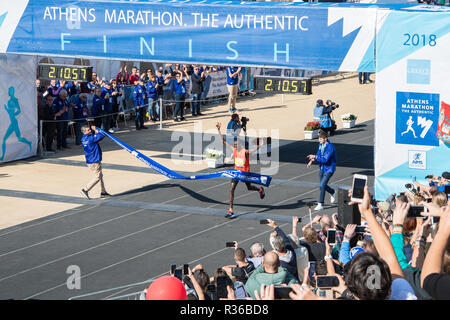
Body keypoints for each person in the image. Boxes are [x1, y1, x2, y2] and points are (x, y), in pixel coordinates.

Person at [216, 122, 265, 218]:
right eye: (234, 144)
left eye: (236, 144)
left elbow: (253, 151)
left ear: (240, 145)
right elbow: (223, 142)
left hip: (245, 173)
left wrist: (260, 145)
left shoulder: (244, 151)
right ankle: (230, 210)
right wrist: (218, 130)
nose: (234, 146)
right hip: (236, 173)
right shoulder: (234, 150)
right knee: (231, 189)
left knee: (249, 187)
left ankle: (259, 189)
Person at [307, 130, 337, 211]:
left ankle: (321, 203)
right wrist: (311, 160)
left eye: (320, 139)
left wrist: (316, 157)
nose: (319, 140)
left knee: (322, 185)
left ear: (325, 139)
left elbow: (325, 159)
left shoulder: (330, 147)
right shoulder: (321, 145)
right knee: (322, 185)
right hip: (322, 168)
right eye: (319, 138)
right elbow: (318, 155)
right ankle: (333, 192)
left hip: (329, 169)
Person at [0, 86, 33, 161]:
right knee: (19, 138)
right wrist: (8, 111)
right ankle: (29, 142)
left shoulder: (15, 100)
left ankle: (2, 157)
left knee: (6, 139)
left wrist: (10, 111)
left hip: (14, 122)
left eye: (9, 90)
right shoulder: (9, 101)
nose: (8, 92)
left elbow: (19, 110)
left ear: (12, 91)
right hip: (13, 122)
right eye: (8, 90)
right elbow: (10, 112)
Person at [80, 125, 111, 199]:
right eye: (88, 130)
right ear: (84, 132)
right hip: (94, 160)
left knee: (100, 176)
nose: (90, 131)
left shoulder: (83, 139)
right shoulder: (91, 139)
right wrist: (96, 129)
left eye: (89, 129)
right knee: (97, 177)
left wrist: (94, 131)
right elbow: (101, 136)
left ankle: (103, 192)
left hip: (90, 160)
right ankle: (85, 189)